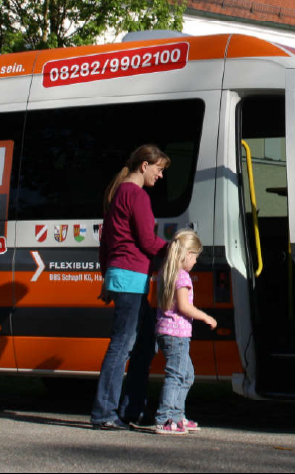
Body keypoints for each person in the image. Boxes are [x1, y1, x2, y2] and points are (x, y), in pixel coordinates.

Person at [90, 144, 171, 430]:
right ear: (144, 166)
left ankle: (132, 409)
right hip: (130, 276)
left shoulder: (118, 193)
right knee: (123, 345)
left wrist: (106, 276)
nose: (160, 176)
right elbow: (148, 242)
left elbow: (106, 243)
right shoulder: (135, 194)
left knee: (145, 342)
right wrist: (174, 247)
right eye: (159, 170)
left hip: (124, 275)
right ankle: (105, 413)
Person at [153, 229, 217, 435]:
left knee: (186, 374)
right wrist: (205, 316)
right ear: (187, 254)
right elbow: (183, 306)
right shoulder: (182, 277)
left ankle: (178, 416)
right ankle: (165, 418)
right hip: (177, 335)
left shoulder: (166, 271)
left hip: (166, 332)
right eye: (195, 257)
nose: (196, 262)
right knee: (177, 375)